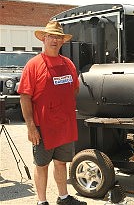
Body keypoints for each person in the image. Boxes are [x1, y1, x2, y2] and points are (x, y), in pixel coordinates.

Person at [18, 21, 86, 205]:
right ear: (44, 39)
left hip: (64, 124)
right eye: (51, 36)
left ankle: (63, 197)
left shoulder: (68, 64)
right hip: (43, 126)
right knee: (42, 165)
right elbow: (24, 97)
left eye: (58, 37)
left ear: (63, 41)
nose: (54, 40)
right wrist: (31, 127)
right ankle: (42, 201)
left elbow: (74, 89)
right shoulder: (33, 65)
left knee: (61, 162)